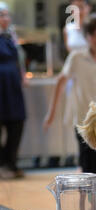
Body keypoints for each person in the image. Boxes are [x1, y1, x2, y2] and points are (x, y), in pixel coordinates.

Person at [43, 13, 96, 188]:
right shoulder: (77, 57)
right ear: (86, 37)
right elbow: (61, 81)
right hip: (84, 122)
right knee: (88, 169)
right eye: (93, 34)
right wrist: (51, 114)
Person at [0, 2, 26, 179]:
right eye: (2, 15)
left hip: (13, 86)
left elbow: (19, 59)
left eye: (7, 15)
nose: (5, 18)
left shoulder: (11, 36)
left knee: (17, 123)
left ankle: (11, 163)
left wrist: (22, 75)